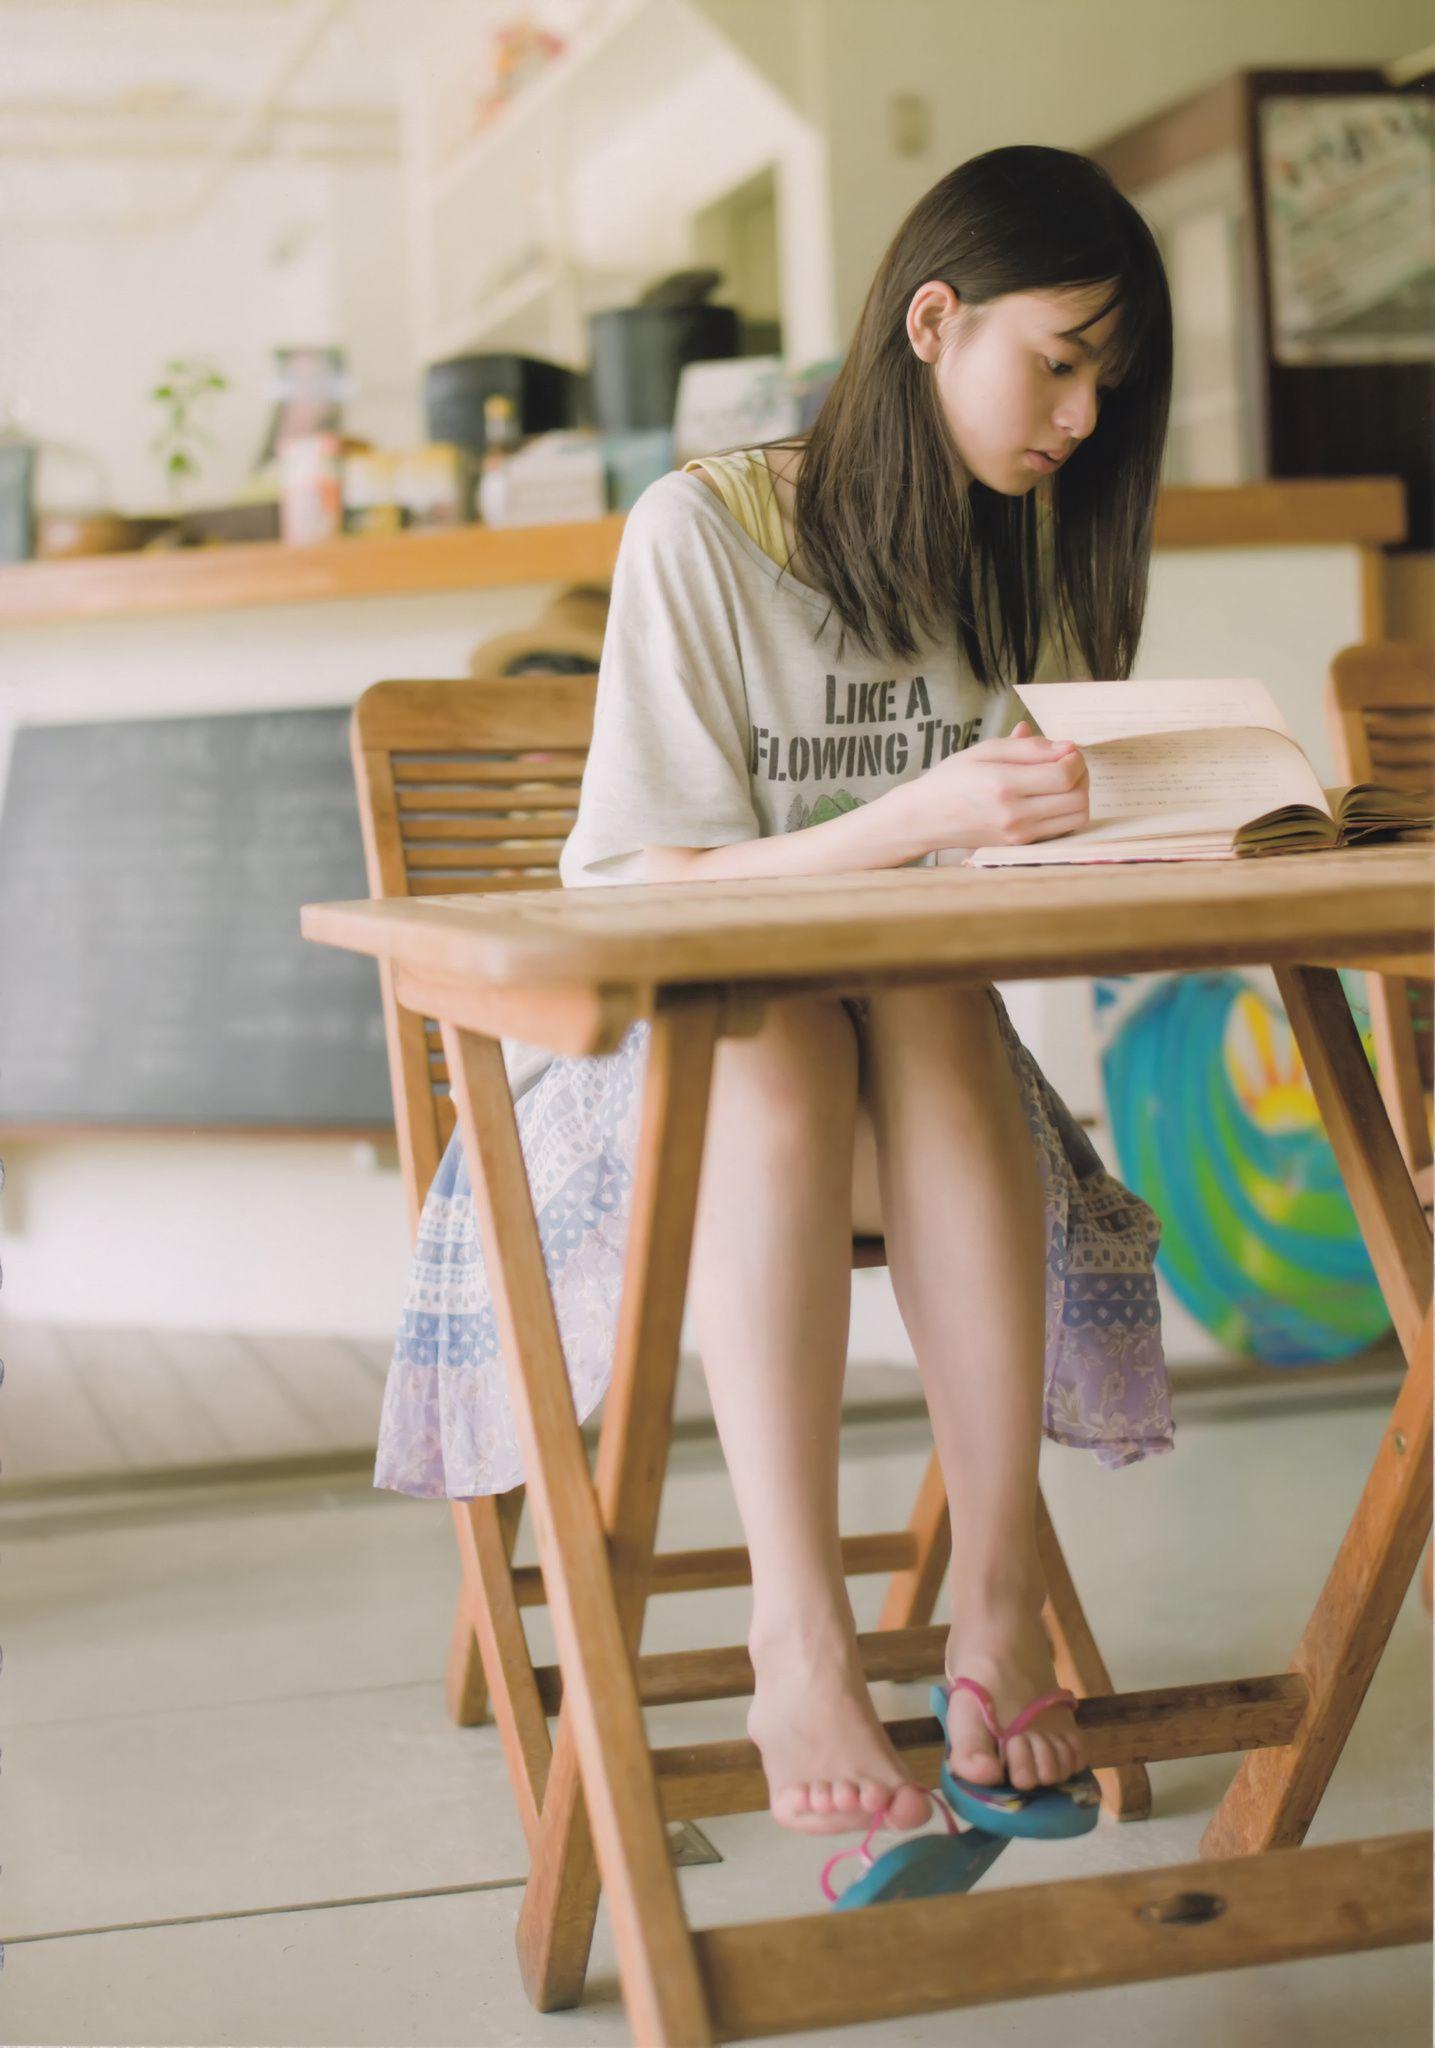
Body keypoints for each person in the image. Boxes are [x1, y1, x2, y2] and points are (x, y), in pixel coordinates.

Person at [377, 144, 1175, 1844]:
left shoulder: (1001, 553)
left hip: (932, 1083)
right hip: (675, 1083)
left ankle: (993, 1592)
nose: (1086, 419)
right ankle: (797, 1628)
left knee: (926, 990)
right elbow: (642, 897)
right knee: (782, 1026)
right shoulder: (703, 533)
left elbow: (984, 892)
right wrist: (919, 821)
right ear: (932, 319)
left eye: (1112, 383)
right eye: (1062, 361)